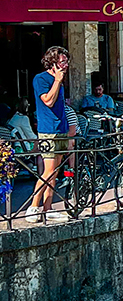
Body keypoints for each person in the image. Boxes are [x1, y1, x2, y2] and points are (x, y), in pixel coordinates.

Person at [26, 45, 70, 224]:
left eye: (66, 61)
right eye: (62, 61)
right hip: (48, 131)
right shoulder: (41, 79)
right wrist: (57, 81)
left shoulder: (58, 79)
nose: (66, 65)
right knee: (48, 170)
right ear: (53, 63)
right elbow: (48, 101)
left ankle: (48, 208)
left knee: (55, 171)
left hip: (61, 129)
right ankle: (33, 207)